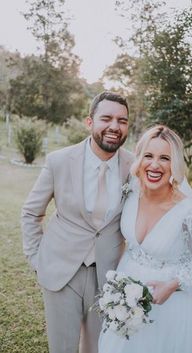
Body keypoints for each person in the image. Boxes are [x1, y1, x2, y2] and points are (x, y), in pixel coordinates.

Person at [98, 125, 192, 353]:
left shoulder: (191, 214)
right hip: (125, 298)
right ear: (139, 158)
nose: (154, 165)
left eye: (164, 158)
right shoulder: (131, 193)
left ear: (175, 164)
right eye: (148, 156)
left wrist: (171, 286)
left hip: (170, 305)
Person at [21, 91, 134, 353]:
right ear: (89, 122)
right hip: (61, 271)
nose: (114, 127)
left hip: (109, 276)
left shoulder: (135, 165)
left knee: (99, 349)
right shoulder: (59, 160)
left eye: (122, 120)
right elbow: (31, 213)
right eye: (106, 118)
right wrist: (36, 260)